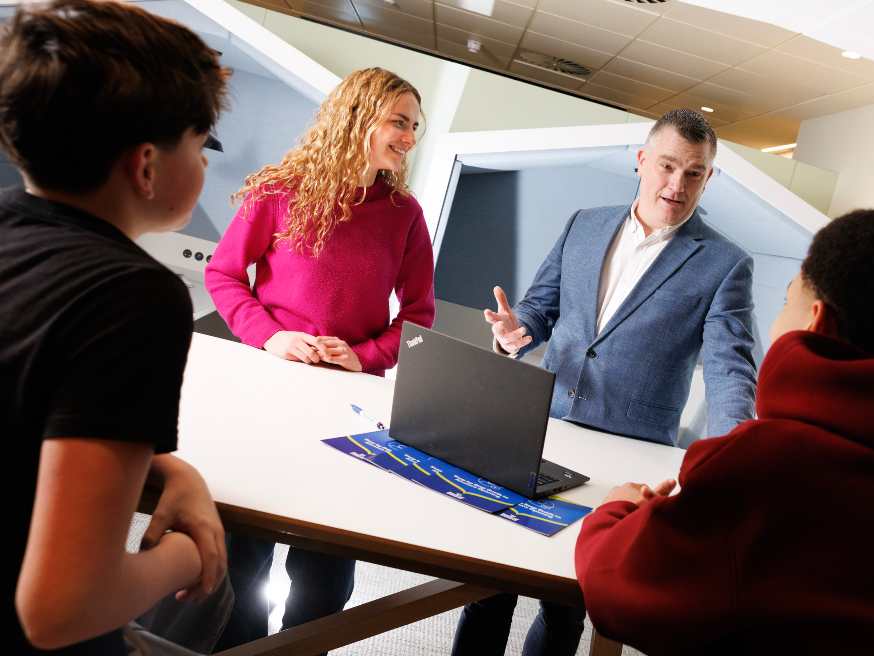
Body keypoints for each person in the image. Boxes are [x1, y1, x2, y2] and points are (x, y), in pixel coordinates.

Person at [576, 209, 874, 655]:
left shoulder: (764, 461)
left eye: (785, 301)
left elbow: (619, 593)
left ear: (817, 321)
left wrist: (618, 510)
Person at [454, 109, 758, 655]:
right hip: (541, 430)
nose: (676, 185)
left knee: (568, 600)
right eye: (667, 166)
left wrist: (738, 450)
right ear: (641, 161)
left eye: (694, 173)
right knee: (489, 584)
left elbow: (730, 365)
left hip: (627, 457)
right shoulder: (584, 224)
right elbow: (539, 310)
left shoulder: (725, 263)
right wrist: (514, 329)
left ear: (708, 177)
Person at [2, 1, 232, 654]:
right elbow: (61, 610)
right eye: (200, 142)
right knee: (215, 597)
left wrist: (167, 468)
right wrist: (191, 554)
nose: (207, 163)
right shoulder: (135, 297)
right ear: (147, 166)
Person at [205, 67, 435, 646]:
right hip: (270, 393)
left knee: (327, 575)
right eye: (399, 123)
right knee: (242, 558)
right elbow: (225, 274)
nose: (409, 138)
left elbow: (418, 315)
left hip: (349, 406)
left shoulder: (404, 214)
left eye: (414, 126)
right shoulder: (278, 190)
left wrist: (364, 356)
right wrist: (273, 338)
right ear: (358, 116)